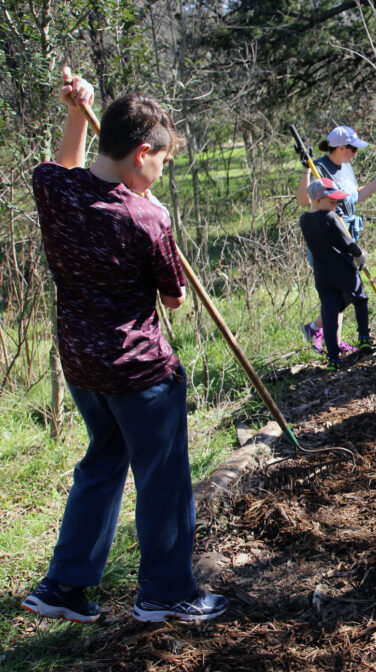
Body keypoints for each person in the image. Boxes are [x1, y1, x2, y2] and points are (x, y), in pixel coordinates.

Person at [22, 68, 227, 623]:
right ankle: (166, 593)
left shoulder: (54, 189)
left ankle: (64, 587)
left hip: (82, 366)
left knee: (103, 462)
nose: (160, 173)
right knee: (162, 478)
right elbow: (175, 298)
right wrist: (162, 228)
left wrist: (74, 111)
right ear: (142, 154)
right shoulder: (145, 216)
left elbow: (66, 164)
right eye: (160, 162)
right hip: (140, 374)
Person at [296, 125, 376, 353]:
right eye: (353, 149)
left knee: (345, 291)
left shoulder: (346, 167)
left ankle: (324, 335)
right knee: (340, 291)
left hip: (347, 235)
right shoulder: (318, 167)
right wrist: (305, 171)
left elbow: (354, 197)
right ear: (341, 147)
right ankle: (328, 339)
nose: (355, 154)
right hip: (326, 240)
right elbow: (303, 200)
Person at [300, 178, 372, 368]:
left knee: (330, 314)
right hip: (344, 271)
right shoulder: (331, 217)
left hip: (323, 276)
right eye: (332, 201)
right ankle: (364, 337)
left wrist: (331, 212)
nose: (337, 205)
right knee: (361, 299)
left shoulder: (304, 220)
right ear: (317, 200)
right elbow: (347, 241)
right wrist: (360, 255)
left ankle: (333, 358)